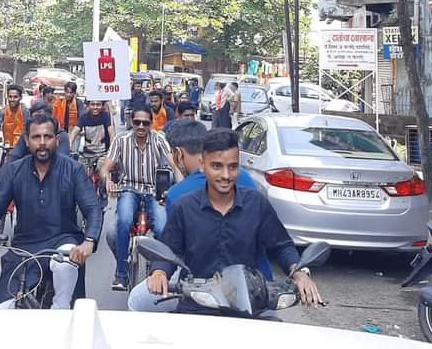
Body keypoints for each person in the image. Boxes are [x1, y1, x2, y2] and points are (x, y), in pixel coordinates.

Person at [133, 129, 323, 313]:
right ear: (202, 164)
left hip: (252, 305)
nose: (225, 175)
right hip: (197, 305)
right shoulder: (185, 207)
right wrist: (159, 274)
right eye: (217, 166)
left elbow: (282, 246)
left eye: (232, 167)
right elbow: (168, 251)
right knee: (138, 308)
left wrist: (299, 273)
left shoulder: (256, 204)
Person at [127, 124, 272, 312]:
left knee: (137, 300)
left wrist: (160, 272)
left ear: (178, 154)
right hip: (257, 288)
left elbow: (175, 249)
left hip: (208, 290)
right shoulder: (246, 181)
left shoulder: (178, 197)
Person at [0, 114, 102, 309]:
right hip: (24, 245)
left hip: (63, 240)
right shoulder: (13, 170)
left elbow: (92, 208)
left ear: (56, 140)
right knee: (2, 311)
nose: (42, 143)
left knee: (65, 266)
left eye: (47, 137)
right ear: (27, 140)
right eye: (36, 137)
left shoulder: (73, 169)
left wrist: (89, 241)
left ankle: (61, 312)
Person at [100, 107, 180, 291]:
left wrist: (180, 188)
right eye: (137, 122)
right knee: (124, 221)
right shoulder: (121, 140)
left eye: (145, 123)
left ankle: (160, 270)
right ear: (131, 122)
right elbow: (106, 167)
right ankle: (121, 273)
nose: (141, 126)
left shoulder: (159, 138)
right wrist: (107, 181)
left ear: (151, 124)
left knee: (162, 227)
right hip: (128, 189)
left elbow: (174, 164)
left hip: (154, 192)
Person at [69, 99, 115, 166]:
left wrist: (112, 150)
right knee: (79, 170)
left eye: (98, 105)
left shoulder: (106, 116)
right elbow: (75, 131)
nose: (95, 107)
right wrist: (69, 145)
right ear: (88, 105)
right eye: (92, 104)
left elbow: (111, 133)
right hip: (88, 153)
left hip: (104, 153)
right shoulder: (83, 117)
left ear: (102, 106)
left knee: (102, 170)